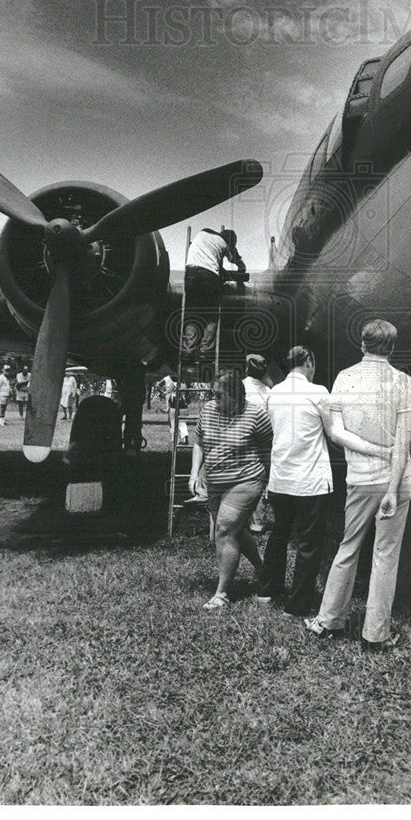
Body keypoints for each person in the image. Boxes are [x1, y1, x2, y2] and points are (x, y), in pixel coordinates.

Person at [305, 319, 411, 651]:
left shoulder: (344, 377)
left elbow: (336, 432)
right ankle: (375, 633)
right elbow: (403, 441)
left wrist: (371, 450)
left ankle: (328, 621)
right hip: (395, 477)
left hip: (360, 477)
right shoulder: (403, 381)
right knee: (385, 555)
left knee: (347, 547)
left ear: (362, 344)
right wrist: (393, 485)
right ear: (392, 348)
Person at [257, 346, 335, 616]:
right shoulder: (319, 392)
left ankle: (267, 590)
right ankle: (298, 603)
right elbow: (332, 431)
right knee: (309, 543)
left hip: (281, 477)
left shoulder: (273, 393)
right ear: (309, 361)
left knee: (279, 532)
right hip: (311, 479)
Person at [189, 368, 273, 610]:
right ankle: (262, 568)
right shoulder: (208, 411)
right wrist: (195, 472)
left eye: (218, 394)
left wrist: (269, 483)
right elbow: (198, 443)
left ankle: (222, 594)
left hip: (246, 479)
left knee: (224, 529)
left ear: (236, 397)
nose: (213, 399)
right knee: (233, 530)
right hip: (215, 482)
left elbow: (267, 450)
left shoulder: (256, 415)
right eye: (212, 393)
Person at [183, 228, 247, 361]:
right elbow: (240, 264)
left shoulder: (202, 233)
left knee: (192, 315)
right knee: (211, 316)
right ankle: (205, 351)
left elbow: (208, 259)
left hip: (190, 275)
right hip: (209, 278)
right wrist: (241, 267)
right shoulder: (224, 244)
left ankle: (188, 350)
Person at [242, 354, 274, 532]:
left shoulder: (240, 387)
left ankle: (240, 517)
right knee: (259, 478)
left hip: (243, 436)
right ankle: (257, 522)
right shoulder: (268, 392)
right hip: (262, 438)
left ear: (247, 368)